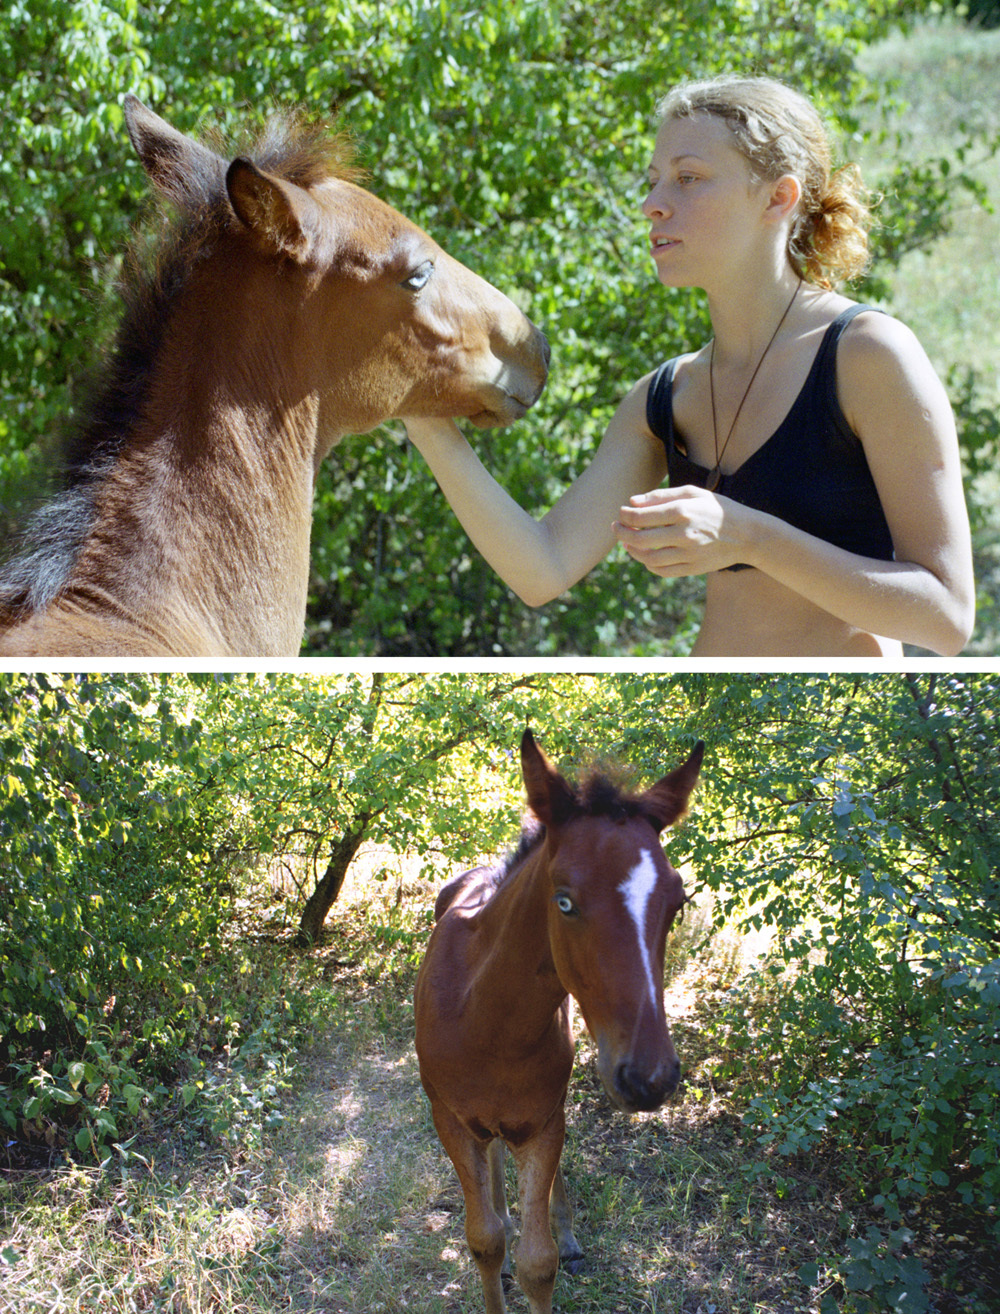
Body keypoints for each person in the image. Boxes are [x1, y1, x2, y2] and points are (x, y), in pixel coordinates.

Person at [403, 75, 975, 657]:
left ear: (778, 198)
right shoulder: (663, 397)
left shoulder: (868, 355)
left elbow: (947, 619)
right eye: (653, 182)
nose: (653, 203)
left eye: (688, 178)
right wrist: (420, 415)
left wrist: (746, 535)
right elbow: (541, 569)